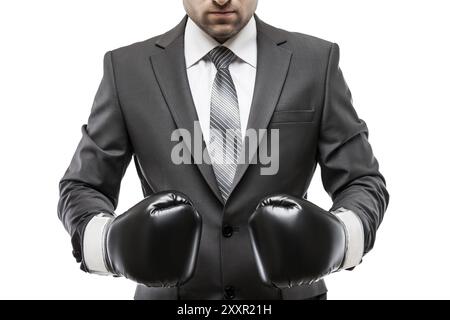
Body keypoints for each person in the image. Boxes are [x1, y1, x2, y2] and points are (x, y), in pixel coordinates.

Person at [58, 0, 389, 300]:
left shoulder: (315, 61)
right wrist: (109, 244)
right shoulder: (127, 69)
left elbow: (362, 180)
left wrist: (339, 240)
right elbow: (83, 185)